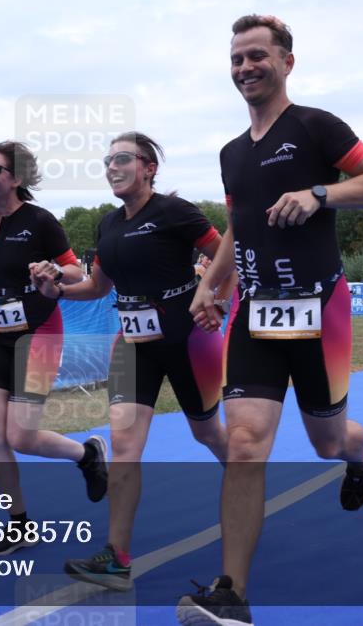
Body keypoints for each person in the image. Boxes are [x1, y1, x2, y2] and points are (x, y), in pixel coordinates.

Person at [177, 15, 363, 625]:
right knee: (245, 444)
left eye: (257, 56)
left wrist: (320, 194)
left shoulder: (315, 126)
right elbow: (239, 226)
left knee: (327, 441)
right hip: (254, 313)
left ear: (286, 62)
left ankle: (361, 452)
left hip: (318, 309)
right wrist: (210, 283)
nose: (245, 67)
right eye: (236, 59)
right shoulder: (230, 153)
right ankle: (231, 596)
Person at [29, 132, 232, 592]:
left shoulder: (175, 212)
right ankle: (116, 557)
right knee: (124, 444)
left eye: (122, 159)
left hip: (187, 339)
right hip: (133, 343)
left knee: (206, 431)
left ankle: (244, 479)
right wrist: (55, 290)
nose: (111, 167)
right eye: (107, 161)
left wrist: (215, 298)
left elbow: (226, 256)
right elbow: (99, 287)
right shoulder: (108, 225)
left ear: (148, 167)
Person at [0, 140, 108, 556]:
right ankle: (18, 524)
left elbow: (72, 268)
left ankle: (85, 453)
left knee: (22, 435)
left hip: (41, 333)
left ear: (16, 178)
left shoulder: (40, 220)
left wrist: (52, 269)